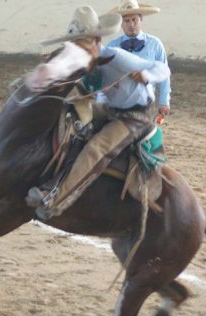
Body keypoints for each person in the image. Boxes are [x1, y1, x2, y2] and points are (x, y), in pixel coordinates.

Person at [27, 5, 170, 220]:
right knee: (68, 113)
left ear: (95, 41)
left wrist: (147, 76)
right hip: (113, 109)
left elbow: (162, 68)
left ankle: (55, 199)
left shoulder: (117, 56)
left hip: (135, 117)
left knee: (97, 148)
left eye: (82, 43)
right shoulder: (83, 60)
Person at [107, 0, 170, 120]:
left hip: (145, 103)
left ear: (141, 19)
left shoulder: (155, 44)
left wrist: (164, 102)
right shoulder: (112, 47)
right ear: (121, 23)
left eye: (134, 19)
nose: (131, 24)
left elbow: (164, 75)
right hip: (119, 104)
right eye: (127, 20)